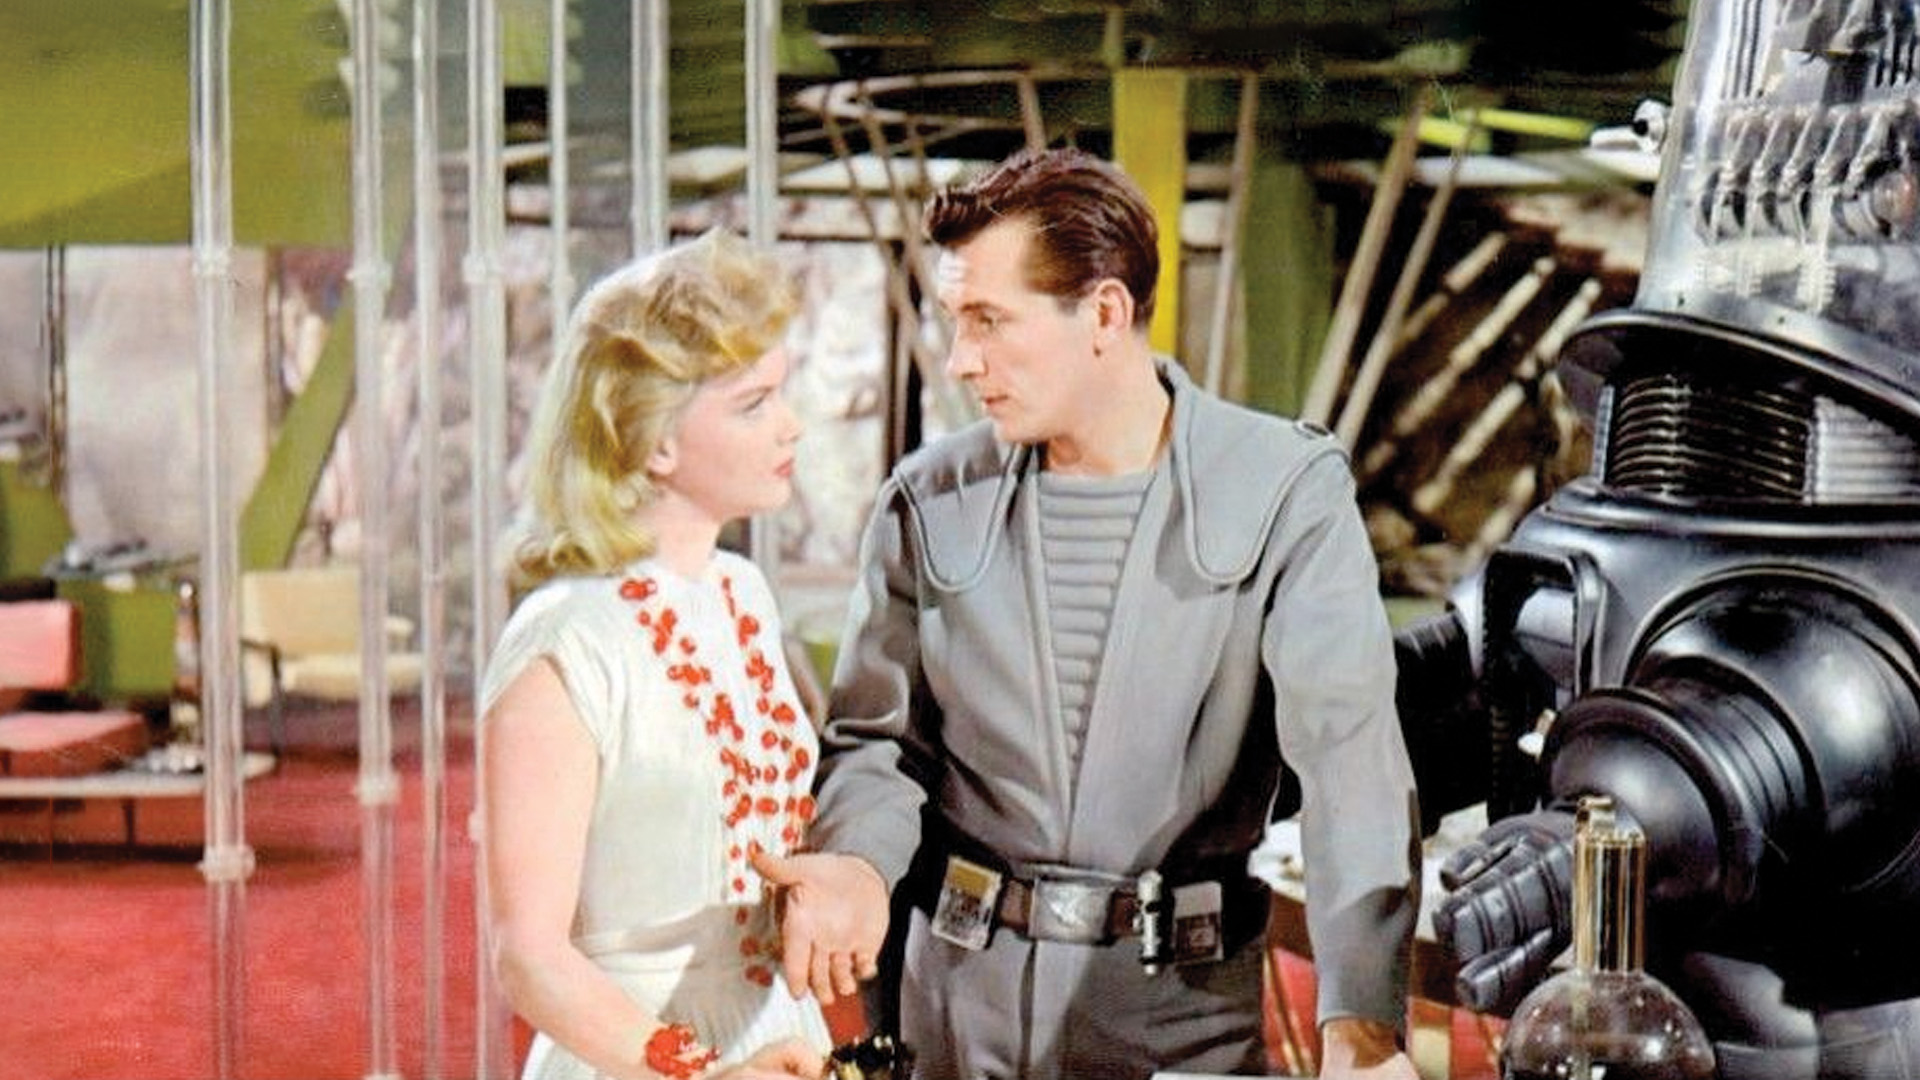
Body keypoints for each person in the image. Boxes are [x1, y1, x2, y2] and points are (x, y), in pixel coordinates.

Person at [757, 147, 1423, 1079]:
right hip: (955, 1019)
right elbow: (878, 745)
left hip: (1181, 1022)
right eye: (956, 321)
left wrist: (1361, 1029)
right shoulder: (928, 500)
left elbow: (1351, 764)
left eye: (990, 321)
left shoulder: (1283, 492)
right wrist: (856, 864)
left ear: (1106, 313)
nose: (961, 360)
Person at [480, 229, 831, 1080]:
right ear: (655, 440)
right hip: (632, 1054)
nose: (791, 425)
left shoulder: (742, 590)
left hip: (779, 1034)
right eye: (753, 404)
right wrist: (703, 1076)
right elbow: (527, 955)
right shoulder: (564, 642)